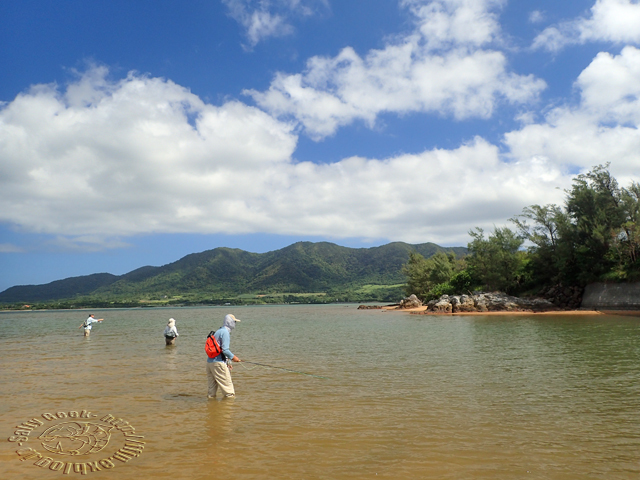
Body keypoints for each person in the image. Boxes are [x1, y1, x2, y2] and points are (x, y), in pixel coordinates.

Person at [207, 314, 242, 399]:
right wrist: (234, 358)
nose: (235, 324)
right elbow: (225, 350)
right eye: (234, 322)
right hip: (218, 363)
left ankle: (212, 409)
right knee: (229, 393)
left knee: (211, 393)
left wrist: (228, 362)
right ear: (230, 322)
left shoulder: (219, 331)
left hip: (210, 363)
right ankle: (228, 411)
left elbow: (219, 348)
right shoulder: (225, 332)